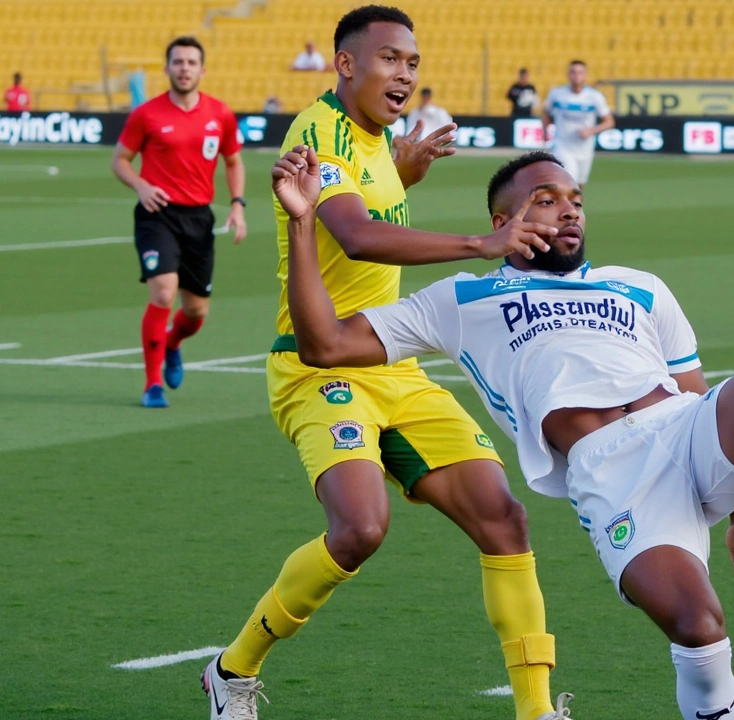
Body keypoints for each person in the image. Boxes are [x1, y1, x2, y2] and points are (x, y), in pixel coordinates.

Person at [272, 147, 734, 720]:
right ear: (502, 219)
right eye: (545, 197)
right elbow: (325, 344)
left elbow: (695, 391)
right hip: (613, 474)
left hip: (685, 428)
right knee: (697, 626)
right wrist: (303, 226)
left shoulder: (641, 287)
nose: (568, 207)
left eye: (574, 197)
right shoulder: (463, 300)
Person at [199, 8, 570, 720]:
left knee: (503, 518)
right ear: (344, 65)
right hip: (320, 365)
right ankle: (232, 671)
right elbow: (355, 234)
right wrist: (479, 242)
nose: (405, 75)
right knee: (360, 530)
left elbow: (369, 200)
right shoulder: (318, 129)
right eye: (390, 59)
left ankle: (537, 711)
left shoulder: (376, 140)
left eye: (413, 64)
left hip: (391, 362)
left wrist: (404, 170)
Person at [111, 36, 246, 408]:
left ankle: (172, 343)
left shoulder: (220, 115)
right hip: (157, 215)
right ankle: (152, 385)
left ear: (202, 70)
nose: (184, 68)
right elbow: (120, 160)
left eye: (191, 62)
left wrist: (237, 204)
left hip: (199, 219)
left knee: (196, 311)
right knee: (163, 292)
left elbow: (233, 161)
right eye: (178, 62)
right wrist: (140, 185)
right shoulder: (147, 114)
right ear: (167, 68)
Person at [541, 61, 614, 188]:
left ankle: (575, 208)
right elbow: (545, 113)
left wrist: (591, 131)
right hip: (563, 145)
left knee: (579, 186)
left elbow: (609, 122)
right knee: (569, 182)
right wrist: (545, 131)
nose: (576, 76)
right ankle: (563, 208)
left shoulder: (594, 96)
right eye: (573, 72)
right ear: (568, 75)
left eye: (580, 72)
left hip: (584, 148)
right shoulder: (557, 94)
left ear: (585, 75)